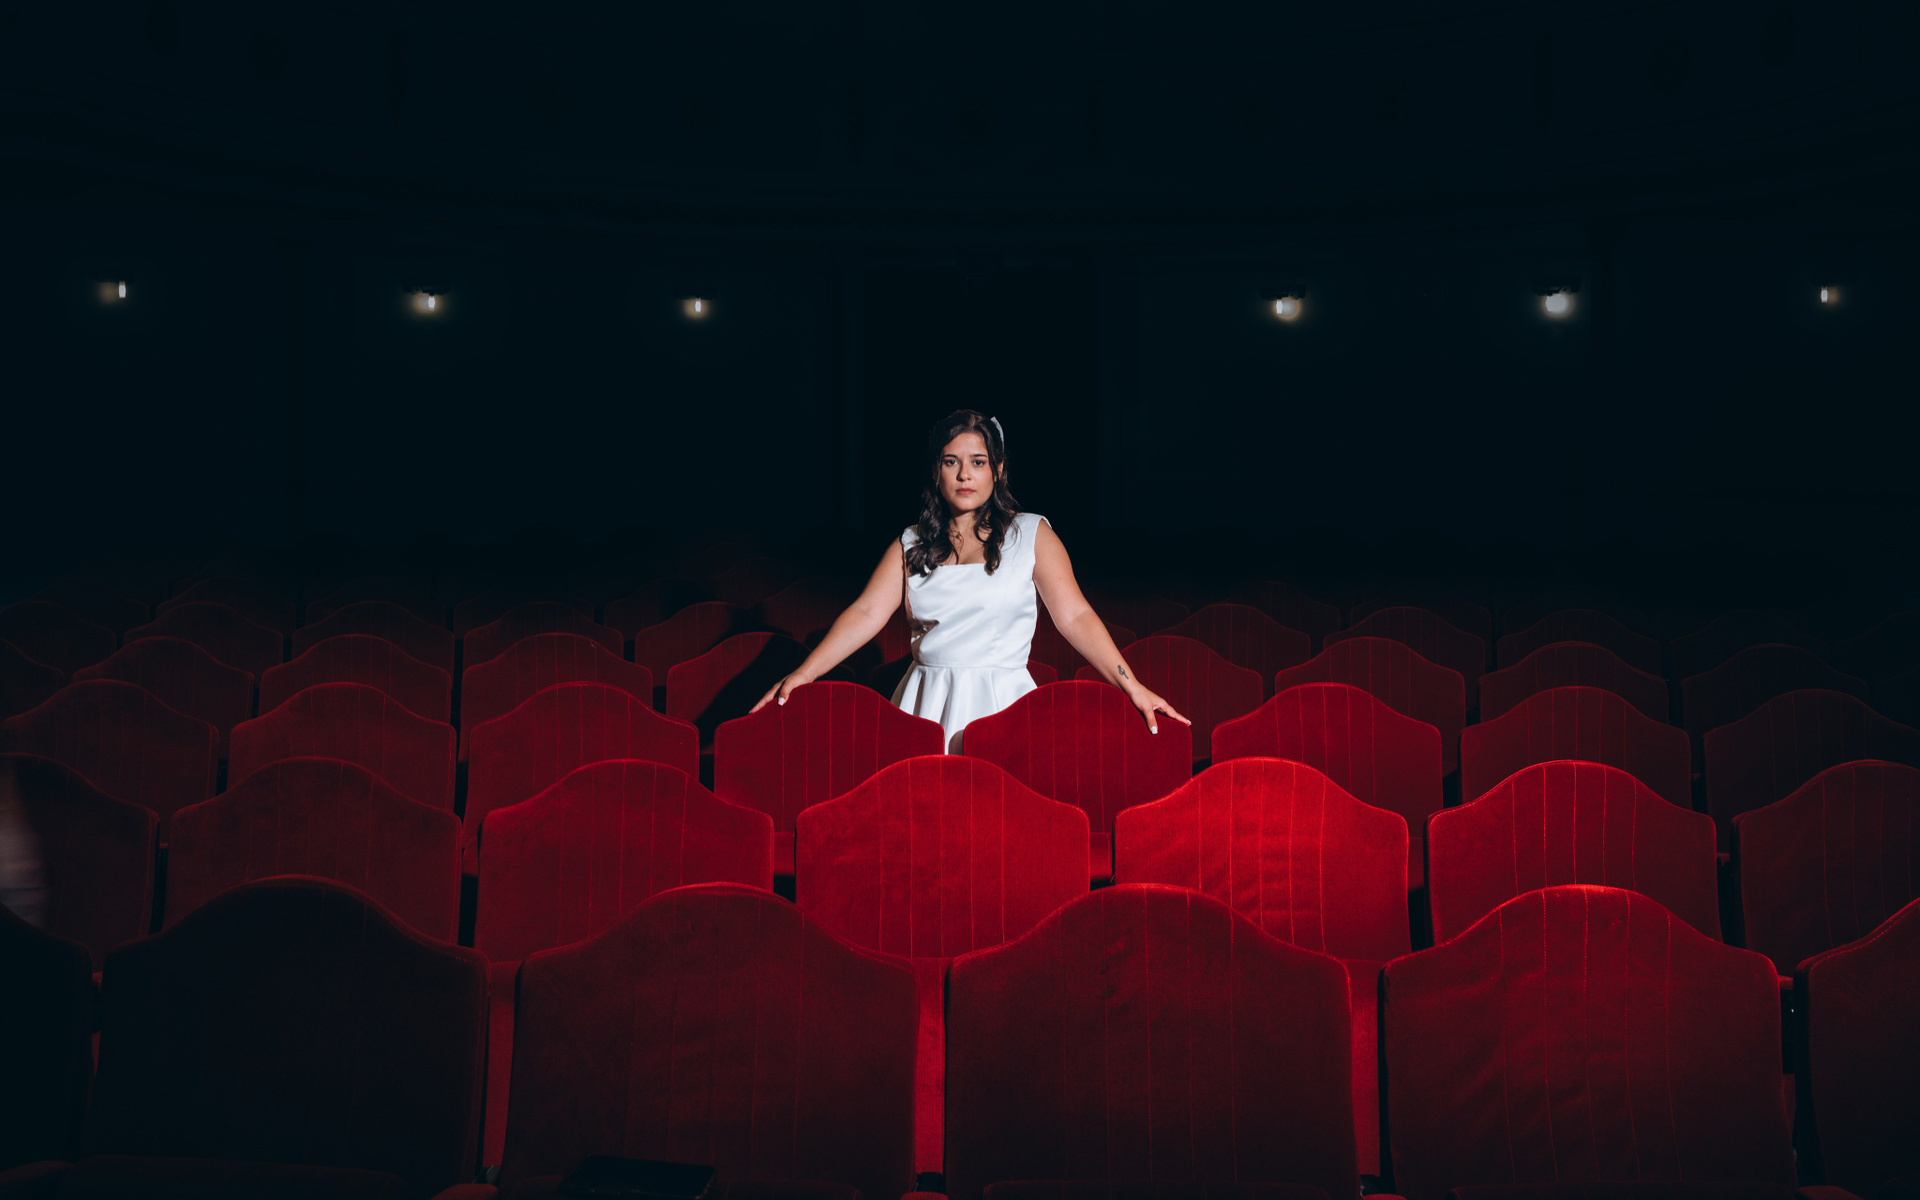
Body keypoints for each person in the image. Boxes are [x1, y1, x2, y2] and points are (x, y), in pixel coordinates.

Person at [753, 408, 1187, 753]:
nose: (965, 475)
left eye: (978, 462)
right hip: (924, 701)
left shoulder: (1032, 533)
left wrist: (1132, 686)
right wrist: (804, 673)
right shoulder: (911, 542)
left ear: (997, 469)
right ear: (936, 471)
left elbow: (1075, 616)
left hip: (1003, 703)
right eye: (952, 462)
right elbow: (866, 613)